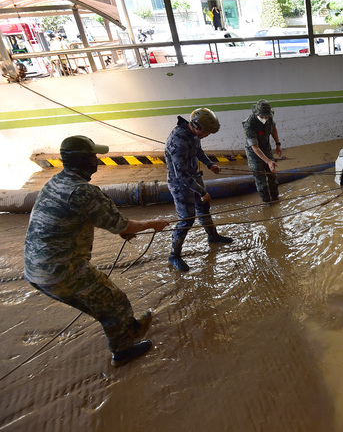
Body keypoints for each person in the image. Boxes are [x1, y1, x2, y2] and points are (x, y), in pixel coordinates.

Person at [24, 135, 170, 367]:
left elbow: (89, 218)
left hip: (35, 270)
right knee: (115, 303)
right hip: (63, 270)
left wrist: (122, 228)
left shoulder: (56, 182)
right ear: (83, 160)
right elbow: (124, 226)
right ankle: (122, 352)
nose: (97, 161)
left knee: (103, 302)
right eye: (93, 156)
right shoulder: (84, 192)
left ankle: (130, 327)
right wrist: (153, 223)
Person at [166, 107, 233, 272]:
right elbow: (181, 175)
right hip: (180, 184)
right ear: (197, 127)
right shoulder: (178, 141)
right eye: (207, 132)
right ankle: (174, 256)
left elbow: (198, 151)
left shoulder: (194, 135)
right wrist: (202, 191)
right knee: (187, 219)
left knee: (204, 207)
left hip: (194, 176)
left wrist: (210, 164)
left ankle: (213, 236)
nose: (207, 135)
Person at [242, 100, 283, 203]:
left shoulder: (269, 116)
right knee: (261, 180)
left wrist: (278, 144)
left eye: (266, 117)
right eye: (262, 117)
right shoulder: (249, 124)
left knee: (272, 175)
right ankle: (267, 203)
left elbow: (273, 128)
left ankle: (275, 199)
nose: (265, 119)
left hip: (266, 148)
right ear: (256, 114)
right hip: (254, 153)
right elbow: (255, 147)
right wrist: (268, 161)